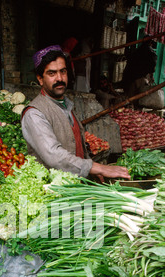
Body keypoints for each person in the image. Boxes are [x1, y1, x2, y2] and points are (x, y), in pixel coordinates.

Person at [21, 45, 130, 183]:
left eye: (63, 71)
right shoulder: (34, 114)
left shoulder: (66, 105)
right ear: (40, 79)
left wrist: (89, 169)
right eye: (52, 73)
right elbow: (54, 155)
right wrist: (97, 167)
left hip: (74, 186)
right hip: (52, 191)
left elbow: (77, 145)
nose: (59, 78)